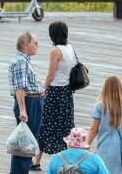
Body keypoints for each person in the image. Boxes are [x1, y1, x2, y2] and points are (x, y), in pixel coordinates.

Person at [32, 21, 76, 170]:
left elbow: (50, 76)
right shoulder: (69, 48)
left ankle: (37, 161)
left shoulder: (55, 51)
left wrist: (43, 90)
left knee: (45, 124)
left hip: (55, 92)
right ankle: (67, 160)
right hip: (67, 92)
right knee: (65, 125)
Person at [9, 31, 45, 174]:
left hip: (33, 102)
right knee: (25, 145)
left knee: (26, 143)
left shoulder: (23, 59)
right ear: (25, 44)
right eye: (35, 43)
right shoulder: (21, 61)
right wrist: (23, 110)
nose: (38, 45)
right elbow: (19, 88)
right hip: (30, 104)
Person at [87, 75, 122, 174]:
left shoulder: (100, 106)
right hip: (120, 149)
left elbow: (94, 129)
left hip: (104, 147)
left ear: (105, 88)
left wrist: (87, 144)